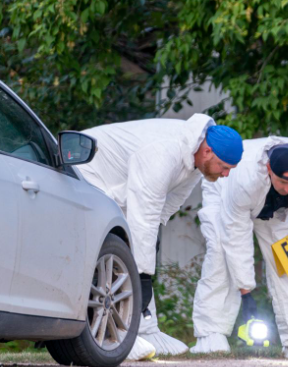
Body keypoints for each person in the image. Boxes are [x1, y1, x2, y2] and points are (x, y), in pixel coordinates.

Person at [77, 114, 243, 360]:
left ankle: (147, 329)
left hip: (122, 190)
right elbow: (143, 218)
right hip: (87, 174)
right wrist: (142, 275)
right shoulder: (163, 153)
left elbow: (166, 206)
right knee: (117, 254)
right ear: (208, 151)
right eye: (225, 167)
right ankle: (119, 335)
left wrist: (147, 254)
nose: (226, 174)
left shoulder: (194, 163)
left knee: (139, 249)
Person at [191, 137, 288, 360]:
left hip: (281, 212)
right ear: (269, 168)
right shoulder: (244, 177)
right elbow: (236, 235)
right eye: (283, 182)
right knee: (221, 255)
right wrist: (246, 292)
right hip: (225, 195)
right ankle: (210, 335)